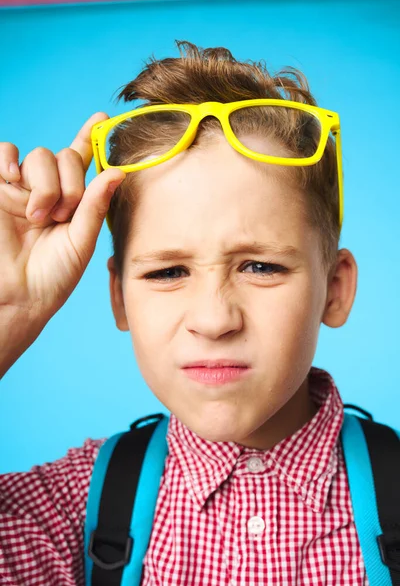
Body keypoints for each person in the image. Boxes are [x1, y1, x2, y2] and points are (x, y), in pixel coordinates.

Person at [0, 41, 361, 584]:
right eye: (167, 272)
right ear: (119, 296)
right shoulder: (66, 512)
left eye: (260, 267)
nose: (215, 321)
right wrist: (10, 313)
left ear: (334, 289)